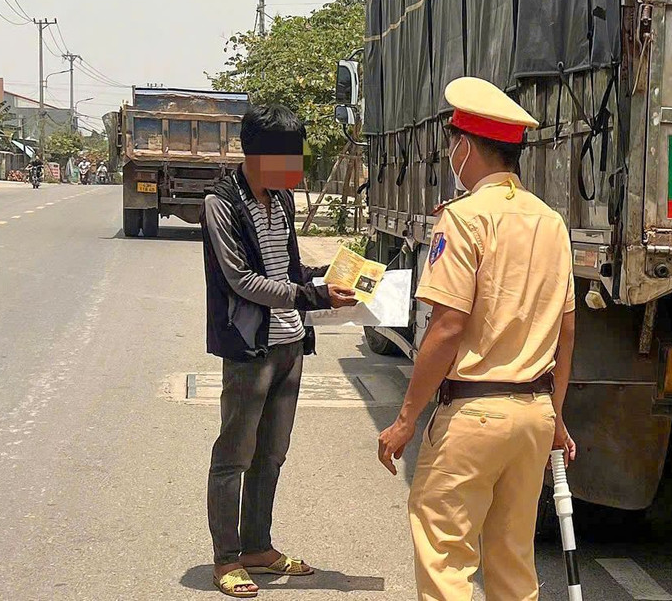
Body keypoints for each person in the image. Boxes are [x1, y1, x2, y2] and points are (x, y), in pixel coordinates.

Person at [377, 77, 578, 601]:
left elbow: (446, 328)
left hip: (474, 414)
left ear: (465, 146)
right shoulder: (552, 223)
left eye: (451, 142)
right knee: (513, 560)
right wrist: (555, 415)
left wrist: (404, 421)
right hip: (533, 414)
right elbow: (567, 328)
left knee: (445, 557)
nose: (450, 152)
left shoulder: (464, 218)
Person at [200, 104, 358, 599]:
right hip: (250, 349)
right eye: (286, 156)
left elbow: (288, 270)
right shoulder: (221, 203)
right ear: (256, 153)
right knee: (234, 455)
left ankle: (257, 548)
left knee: (272, 454)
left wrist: (333, 279)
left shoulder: (284, 200)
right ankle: (226, 559)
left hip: (290, 344)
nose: (294, 166)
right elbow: (242, 281)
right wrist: (310, 295)